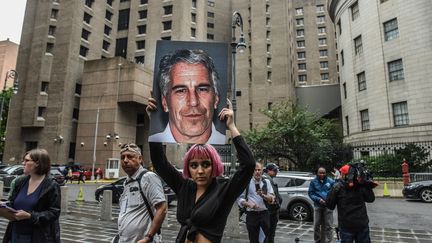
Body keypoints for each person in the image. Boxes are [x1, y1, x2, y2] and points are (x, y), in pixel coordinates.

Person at [148, 103, 255, 243]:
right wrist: (155, 121)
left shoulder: (224, 190)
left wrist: (232, 127)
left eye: (206, 164)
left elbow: (248, 165)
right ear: (188, 167)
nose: (200, 171)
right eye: (193, 165)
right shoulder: (184, 187)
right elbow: (159, 162)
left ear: (214, 165)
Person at [148, 49, 225, 144]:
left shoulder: (230, 143)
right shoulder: (153, 142)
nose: (193, 102)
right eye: (181, 91)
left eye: (202, 89)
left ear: (216, 98)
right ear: (165, 102)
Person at [3, 149, 61, 243]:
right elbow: (12, 203)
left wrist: (30, 216)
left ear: (37, 163)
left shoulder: (51, 186)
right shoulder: (20, 182)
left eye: (26, 160)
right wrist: (3, 205)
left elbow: (54, 213)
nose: (23, 163)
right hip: (15, 234)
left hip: (38, 237)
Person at [116, 143, 167, 243]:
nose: (125, 160)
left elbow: (162, 208)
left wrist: (148, 237)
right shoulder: (127, 182)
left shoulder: (148, 177)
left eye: (130, 157)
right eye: (122, 157)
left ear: (140, 159)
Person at [326, 165, 376, 243]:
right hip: (361, 224)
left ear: (344, 175)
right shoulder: (361, 185)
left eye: (341, 173)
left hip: (346, 226)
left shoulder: (337, 187)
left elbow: (330, 205)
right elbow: (371, 199)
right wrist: (367, 185)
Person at [238, 162, 275, 243]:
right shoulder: (247, 182)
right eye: (255, 170)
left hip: (264, 214)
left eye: (259, 170)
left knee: (265, 239)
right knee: (253, 239)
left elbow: (272, 199)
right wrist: (248, 204)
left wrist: (263, 195)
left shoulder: (266, 182)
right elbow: (240, 199)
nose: (257, 172)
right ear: (252, 171)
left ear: (262, 171)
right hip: (251, 215)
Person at [308, 167, 335, 243]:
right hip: (318, 206)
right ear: (317, 173)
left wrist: (329, 200)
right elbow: (311, 193)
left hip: (328, 206)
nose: (322, 174)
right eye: (320, 172)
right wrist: (319, 199)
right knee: (316, 225)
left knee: (328, 225)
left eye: (324, 173)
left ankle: (328, 241)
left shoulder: (330, 181)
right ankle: (317, 240)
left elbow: (334, 191)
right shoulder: (313, 182)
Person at [263, 163, 282, 243]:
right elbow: (269, 196)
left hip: (272, 211)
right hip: (270, 211)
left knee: (269, 234)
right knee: (268, 234)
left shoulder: (269, 179)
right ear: (268, 171)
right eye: (274, 170)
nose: (276, 171)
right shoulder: (266, 179)